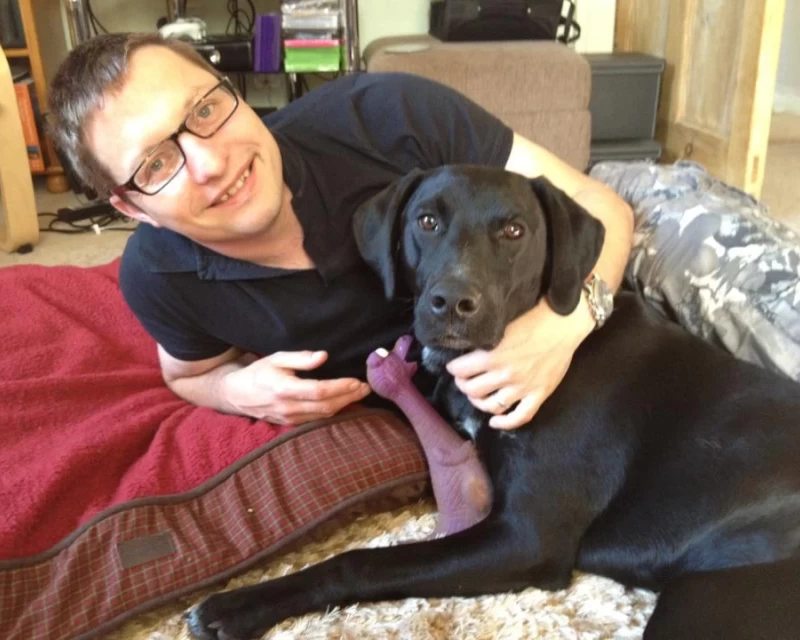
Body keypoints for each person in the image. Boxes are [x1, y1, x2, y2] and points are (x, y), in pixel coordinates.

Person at [48, 33, 633, 429]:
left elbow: (598, 203)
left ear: (235, 90)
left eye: (204, 110)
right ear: (131, 208)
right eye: (156, 163)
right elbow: (186, 373)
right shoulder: (158, 276)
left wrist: (564, 326)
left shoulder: (392, 114)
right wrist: (234, 391)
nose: (210, 162)